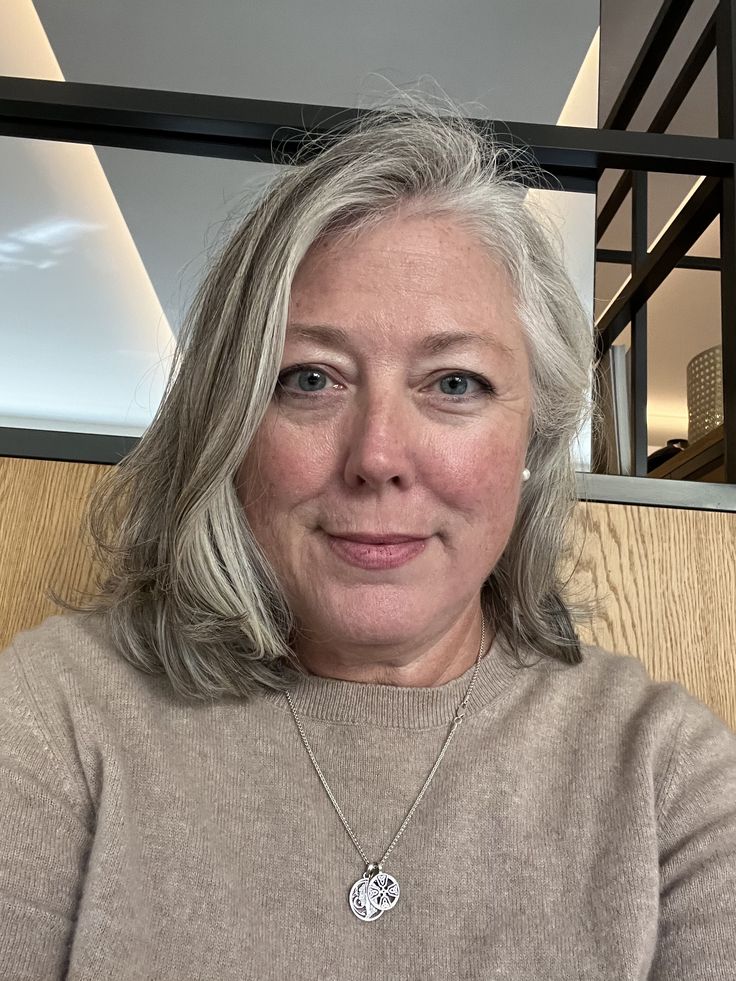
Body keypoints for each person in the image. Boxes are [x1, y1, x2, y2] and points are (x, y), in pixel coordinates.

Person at [1, 94, 735, 981]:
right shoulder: (51, 716)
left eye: (454, 383)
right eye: (311, 378)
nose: (378, 456)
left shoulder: (670, 778)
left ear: (533, 439)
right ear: (231, 425)